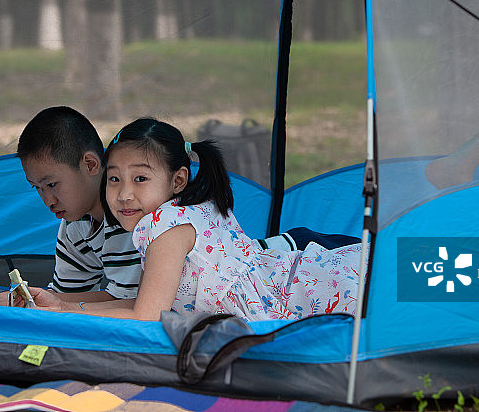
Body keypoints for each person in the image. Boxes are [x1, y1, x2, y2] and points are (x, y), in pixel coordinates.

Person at [23, 117, 362, 321]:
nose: (124, 194)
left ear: (178, 180)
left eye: (140, 179)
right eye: (115, 179)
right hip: (307, 274)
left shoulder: (166, 228)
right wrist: (62, 305)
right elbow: (148, 303)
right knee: (405, 269)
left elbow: (145, 317)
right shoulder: (184, 211)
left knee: (405, 282)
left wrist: (66, 312)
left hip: (308, 290)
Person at [0, 106, 141, 306]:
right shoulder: (75, 226)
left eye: (51, 185)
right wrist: (26, 300)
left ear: (90, 165)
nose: (48, 200)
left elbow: (130, 304)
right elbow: (68, 294)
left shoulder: (130, 214)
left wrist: (34, 301)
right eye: (37, 188)